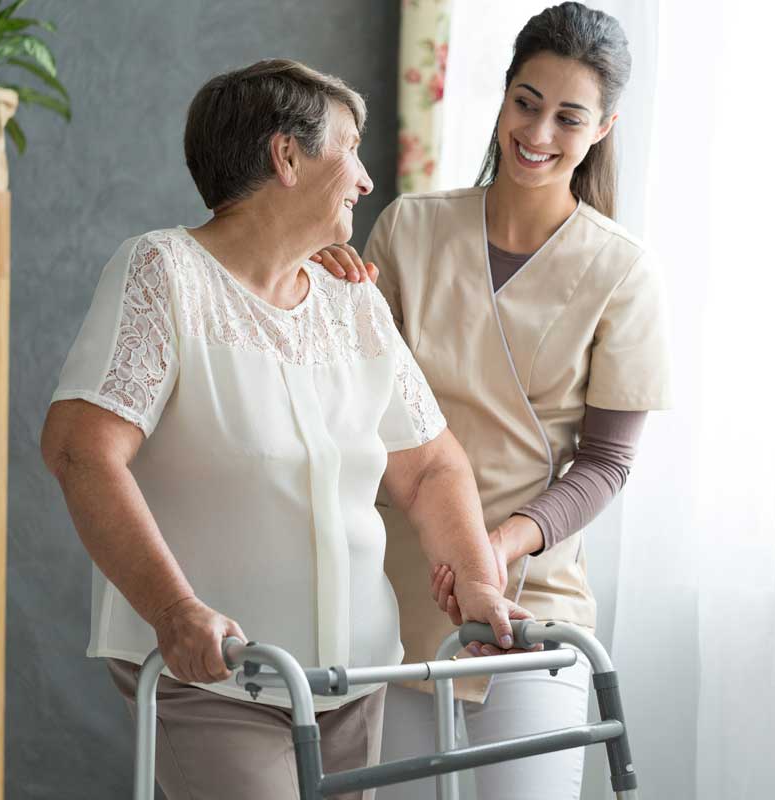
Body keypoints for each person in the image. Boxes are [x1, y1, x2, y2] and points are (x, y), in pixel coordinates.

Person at [40, 59, 524, 800]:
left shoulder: (349, 298)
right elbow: (80, 449)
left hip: (355, 677)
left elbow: (429, 467)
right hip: (218, 675)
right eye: (351, 149)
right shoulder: (164, 273)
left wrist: (481, 582)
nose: (365, 180)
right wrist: (176, 612)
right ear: (287, 156)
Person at [315, 4, 672, 798]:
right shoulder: (408, 230)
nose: (539, 132)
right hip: (401, 597)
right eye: (526, 101)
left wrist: (503, 544)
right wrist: (324, 299)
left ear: (603, 128)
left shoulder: (622, 273)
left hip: (532, 604)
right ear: (504, 95)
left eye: (568, 116)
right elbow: (353, 403)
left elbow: (608, 464)